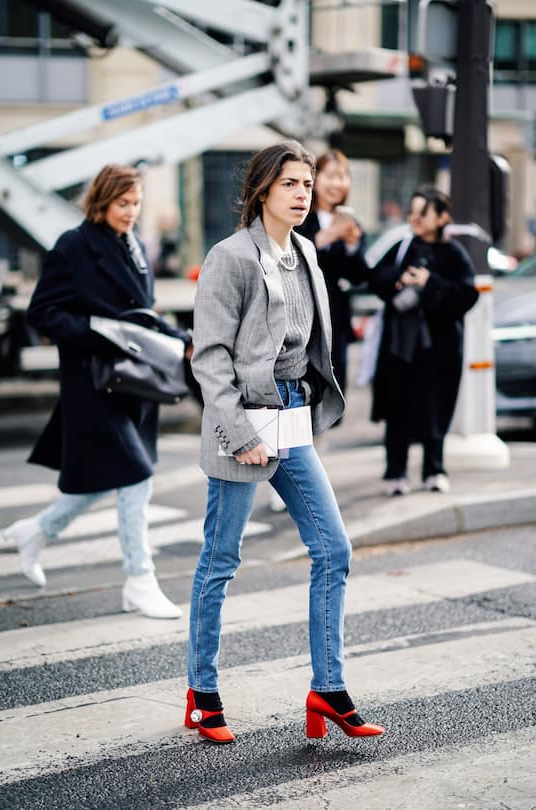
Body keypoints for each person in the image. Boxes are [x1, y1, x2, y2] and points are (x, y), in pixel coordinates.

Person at [184, 141, 385, 744]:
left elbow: (311, 344)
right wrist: (239, 433)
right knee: (221, 559)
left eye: (307, 184)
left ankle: (328, 689)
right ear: (263, 190)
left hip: (293, 421)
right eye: (291, 184)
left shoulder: (306, 253)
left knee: (334, 549)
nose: (302, 195)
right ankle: (202, 692)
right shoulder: (231, 257)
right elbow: (210, 358)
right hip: (243, 425)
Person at [3, 164, 189, 619]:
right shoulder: (73, 245)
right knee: (136, 475)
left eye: (136, 203)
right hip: (94, 380)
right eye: (123, 203)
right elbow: (42, 313)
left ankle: (38, 531)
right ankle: (139, 580)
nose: (131, 211)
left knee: (116, 475)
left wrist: (180, 338)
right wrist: (97, 331)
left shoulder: (133, 245)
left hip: (134, 381)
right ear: (102, 201)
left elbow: (141, 313)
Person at [369, 186, 479, 496]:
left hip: (439, 348)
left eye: (422, 212)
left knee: (436, 408)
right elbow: (375, 278)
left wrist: (430, 282)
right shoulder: (402, 247)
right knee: (397, 409)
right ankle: (395, 473)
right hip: (400, 346)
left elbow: (467, 295)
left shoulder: (454, 253)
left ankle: (434, 470)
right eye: (411, 212)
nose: (414, 218)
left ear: (442, 217)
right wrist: (399, 279)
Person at [296, 149, 369, 398]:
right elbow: (294, 256)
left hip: (335, 315)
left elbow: (360, 276)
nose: (337, 183)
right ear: (315, 180)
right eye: (330, 176)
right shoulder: (301, 217)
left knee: (334, 385)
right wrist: (326, 236)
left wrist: (352, 246)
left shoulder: (352, 224)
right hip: (304, 311)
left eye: (342, 176)